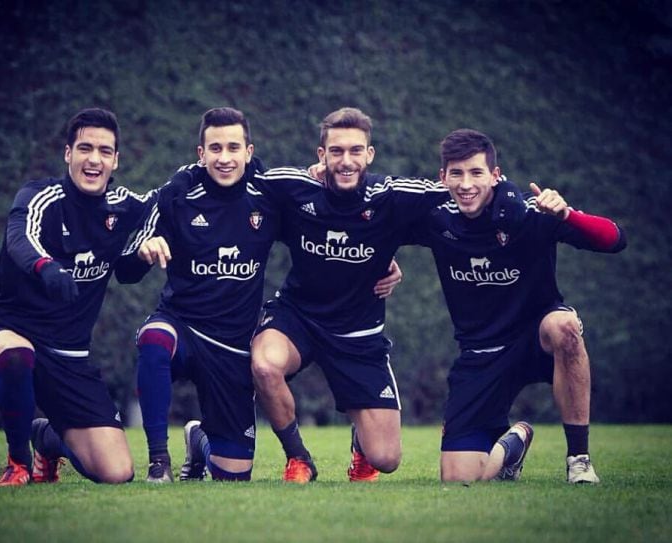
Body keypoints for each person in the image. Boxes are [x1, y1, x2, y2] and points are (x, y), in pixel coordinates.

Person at [116, 107, 402, 483]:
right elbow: (125, 267)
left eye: (233, 147)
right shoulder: (177, 192)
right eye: (214, 148)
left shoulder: (267, 194)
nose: (224, 157)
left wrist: (381, 260)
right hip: (184, 327)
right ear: (200, 153)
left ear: (248, 152)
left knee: (233, 475)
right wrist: (142, 250)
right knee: (155, 338)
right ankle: (159, 462)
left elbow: (322, 222)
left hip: (232, 348)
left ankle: (200, 441)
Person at [250, 108, 523, 483]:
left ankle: (361, 447)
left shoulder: (392, 196)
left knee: (387, 459)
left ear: (370, 154)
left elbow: (467, 186)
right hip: (297, 317)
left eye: (355, 151)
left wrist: (511, 193)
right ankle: (299, 459)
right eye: (337, 151)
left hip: (359, 335)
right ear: (321, 155)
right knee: (265, 365)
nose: (346, 161)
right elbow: (242, 177)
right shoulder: (294, 187)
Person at [412, 128, 626, 484]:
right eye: (457, 173)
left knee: (564, 326)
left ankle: (579, 458)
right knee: (459, 479)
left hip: (535, 337)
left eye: (476, 172)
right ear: (443, 177)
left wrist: (567, 215)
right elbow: (376, 227)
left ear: (495, 175)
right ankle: (515, 443)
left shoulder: (529, 212)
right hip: (480, 354)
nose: (466, 184)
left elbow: (615, 239)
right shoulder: (436, 218)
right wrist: (385, 264)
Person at [0, 108, 154, 486]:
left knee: (117, 472)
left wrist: (147, 252)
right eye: (85, 148)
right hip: (6, 335)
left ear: (116, 160)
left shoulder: (126, 208)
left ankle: (46, 439)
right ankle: (17, 464)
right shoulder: (39, 196)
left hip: (70, 357)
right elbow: (20, 239)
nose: (93, 159)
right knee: (17, 355)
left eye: (104, 151)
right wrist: (46, 267)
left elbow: (166, 208)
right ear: (68, 153)